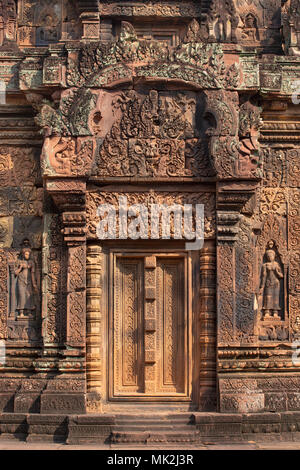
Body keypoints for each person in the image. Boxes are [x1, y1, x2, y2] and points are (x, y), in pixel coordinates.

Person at [14, 246, 38, 319]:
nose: (27, 256)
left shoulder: (31, 262)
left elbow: (33, 273)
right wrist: (20, 268)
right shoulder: (19, 262)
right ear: (23, 254)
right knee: (21, 296)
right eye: (26, 254)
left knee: (29, 296)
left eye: (28, 254)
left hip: (29, 282)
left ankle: (29, 312)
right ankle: (21, 312)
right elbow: (15, 273)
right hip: (21, 281)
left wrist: (34, 284)